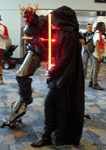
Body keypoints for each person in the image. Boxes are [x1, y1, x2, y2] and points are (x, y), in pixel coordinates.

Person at [31, 6, 84, 147]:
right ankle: (55, 135)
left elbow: (65, 59)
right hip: (62, 77)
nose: (53, 21)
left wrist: (52, 72)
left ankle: (48, 136)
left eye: (55, 18)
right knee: (58, 106)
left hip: (63, 78)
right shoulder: (65, 33)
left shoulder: (69, 34)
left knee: (50, 103)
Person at [89, 22, 105, 90]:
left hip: (95, 53)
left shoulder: (97, 33)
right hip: (96, 54)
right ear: (100, 26)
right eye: (103, 26)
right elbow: (97, 44)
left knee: (93, 68)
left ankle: (91, 82)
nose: (104, 27)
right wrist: (99, 55)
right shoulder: (98, 34)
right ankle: (95, 84)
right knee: (96, 69)